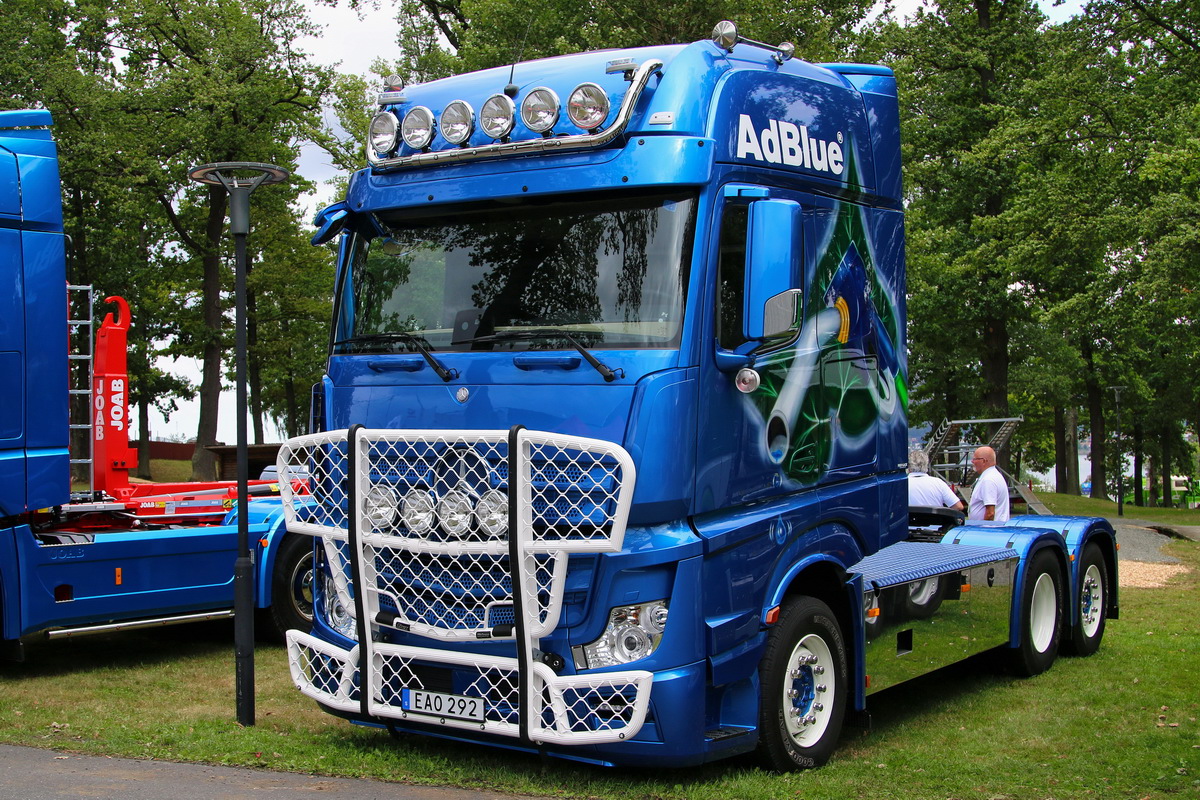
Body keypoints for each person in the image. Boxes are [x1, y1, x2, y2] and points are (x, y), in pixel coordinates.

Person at [968, 445, 1010, 522]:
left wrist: (983, 530)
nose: (972, 461)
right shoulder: (993, 475)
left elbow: (990, 513)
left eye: (975, 459)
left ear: (984, 461)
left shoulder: (988, 480)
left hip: (989, 530)